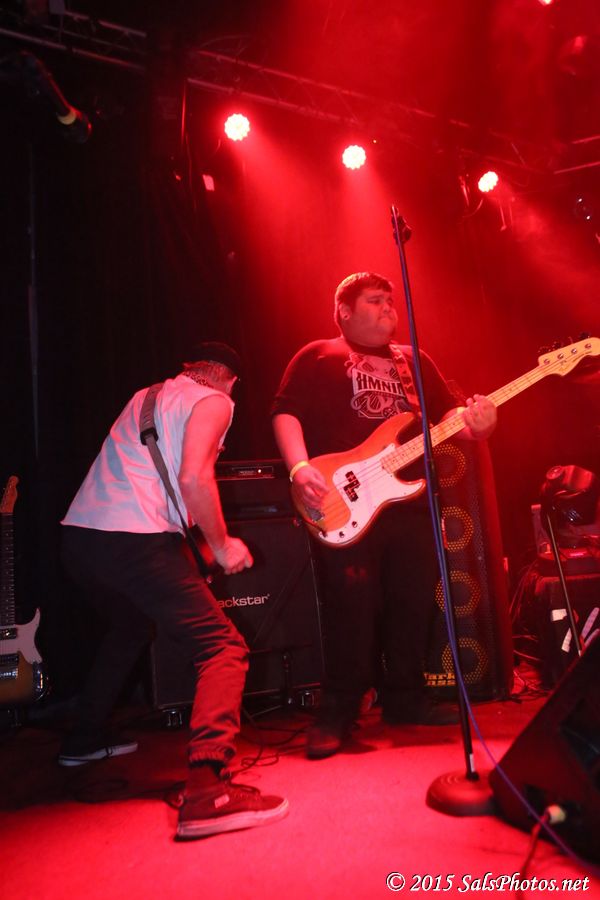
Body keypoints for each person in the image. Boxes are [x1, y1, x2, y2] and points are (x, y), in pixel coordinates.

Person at [60, 342, 288, 838]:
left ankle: (84, 737)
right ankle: (208, 791)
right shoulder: (216, 400)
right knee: (223, 647)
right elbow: (193, 478)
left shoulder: (146, 395)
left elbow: (155, 485)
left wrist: (195, 550)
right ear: (229, 379)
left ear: (189, 367)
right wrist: (222, 546)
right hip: (133, 541)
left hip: (80, 540)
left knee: (130, 625)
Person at [272, 273, 497, 759]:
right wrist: (299, 467)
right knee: (350, 608)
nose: (389, 308)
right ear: (344, 311)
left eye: (391, 300)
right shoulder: (317, 355)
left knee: (412, 603)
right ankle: (337, 711)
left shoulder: (415, 361)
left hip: (410, 501)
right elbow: (285, 412)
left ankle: (405, 700)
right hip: (346, 498)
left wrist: (477, 425)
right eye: (375, 300)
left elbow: (448, 420)